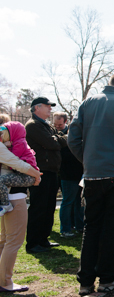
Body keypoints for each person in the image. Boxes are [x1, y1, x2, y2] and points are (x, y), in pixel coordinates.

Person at [68, 72, 114, 295]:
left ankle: (86, 282)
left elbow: (72, 139)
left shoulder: (87, 103)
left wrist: (89, 161)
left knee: (91, 228)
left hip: (92, 175)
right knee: (112, 227)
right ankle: (108, 279)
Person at [0, 128, 41, 292]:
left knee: (4, 239)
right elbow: (17, 164)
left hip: (6, 196)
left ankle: (2, 278)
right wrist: (36, 175)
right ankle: (5, 282)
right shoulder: (6, 148)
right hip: (14, 197)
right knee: (14, 241)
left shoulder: (8, 145)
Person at [25, 97, 68, 253]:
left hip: (51, 171)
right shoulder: (33, 126)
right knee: (39, 207)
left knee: (49, 207)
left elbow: (58, 139)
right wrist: (59, 139)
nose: (50, 109)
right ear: (37, 108)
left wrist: (58, 139)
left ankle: (43, 239)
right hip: (40, 171)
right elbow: (53, 143)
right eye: (47, 106)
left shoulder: (46, 125)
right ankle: (33, 243)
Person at [53, 112, 84, 237]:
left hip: (79, 174)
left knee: (79, 202)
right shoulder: (64, 139)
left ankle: (80, 226)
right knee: (67, 202)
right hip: (68, 175)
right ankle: (65, 229)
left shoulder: (78, 138)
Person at [0, 123, 38, 216]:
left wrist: (37, 175)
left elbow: (14, 162)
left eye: (2, 133)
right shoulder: (15, 143)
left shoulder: (20, 143)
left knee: (1, 181)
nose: (0, 136)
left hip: (27, 175)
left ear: (12, 133)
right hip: (24, 174)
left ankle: (6, 205)